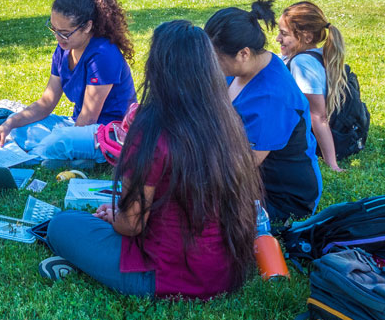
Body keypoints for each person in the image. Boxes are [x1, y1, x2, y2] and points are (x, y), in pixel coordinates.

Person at [40, 20, 262, 300]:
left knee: (62, 225)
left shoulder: (151, 128)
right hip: (226, 271)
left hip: (163, 274)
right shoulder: (226, 121)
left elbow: (131, 225)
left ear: (157, 69)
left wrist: (117, 219)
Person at [0, 0, 135, 169]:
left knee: (58, 141)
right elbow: (45, 104)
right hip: (77, 124)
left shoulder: (103, 54)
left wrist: (64, 139)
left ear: (88, 26)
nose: (58, 38)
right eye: (54, 29)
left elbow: (89, 118)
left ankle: (60, 157)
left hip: (107, 132)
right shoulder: (63, 50)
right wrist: (9, 124)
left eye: (65, 33)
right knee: (19, 131)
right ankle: (70, 159)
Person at [205, 0, 322, 223]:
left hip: (284, 199)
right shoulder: (251, 65)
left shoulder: (271, 96)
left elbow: (240, 167)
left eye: (215, 58)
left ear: (244, 53)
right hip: (253, 182)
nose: (210, 64)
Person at [277, 1, 348, 172]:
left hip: (300, 138)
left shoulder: (302, 63)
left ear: (307, 37)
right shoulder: (315, 54)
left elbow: (318, 116)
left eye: (284, 34)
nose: (278, 38)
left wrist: (332, 164)